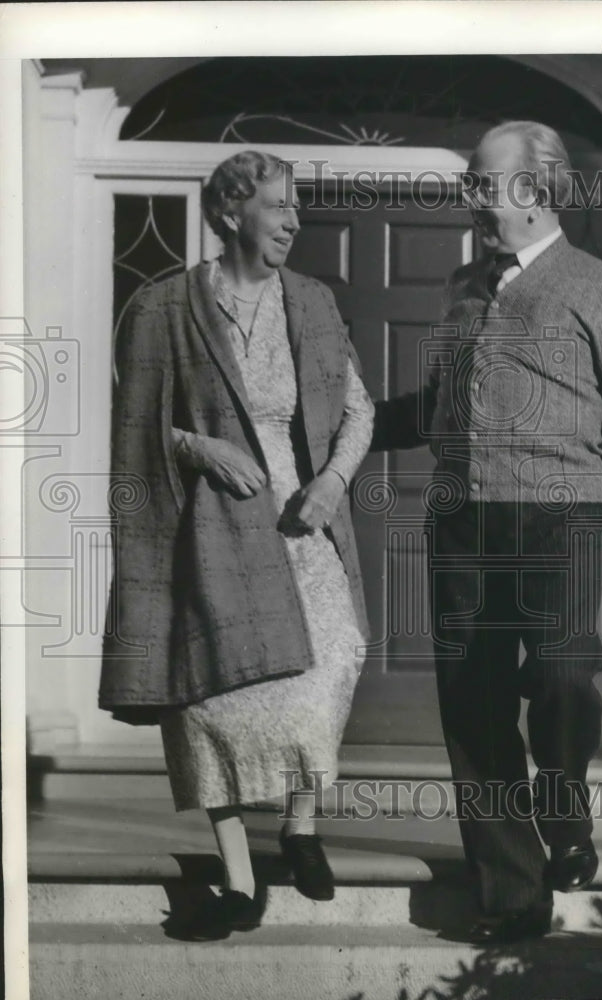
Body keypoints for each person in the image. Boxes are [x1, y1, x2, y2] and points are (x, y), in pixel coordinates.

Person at [371, 121, 602, 944]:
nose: (469, 198)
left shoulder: (598, 285)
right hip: (464, 518)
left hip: (564, 514)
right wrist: (336, 428)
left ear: (536, 191)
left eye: (482, 184)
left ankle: (564, 802)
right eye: (470, 183)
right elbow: (436, 410)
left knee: (563, 671)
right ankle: (510, 896)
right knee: (470, 707)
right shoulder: (461, 286)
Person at [99, 150, 374, 939]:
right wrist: (200, 447)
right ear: (228, 214)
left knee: (335, 655)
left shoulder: (313, 304)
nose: (294, 220)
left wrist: (330, 485)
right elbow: (139, 425)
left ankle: (301, 825)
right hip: (209, 526)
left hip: (303, 521)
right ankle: (238, 879)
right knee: (206, 696)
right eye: (278, 205)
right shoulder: (161, 309)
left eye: (296, 207)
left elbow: (356, 411)